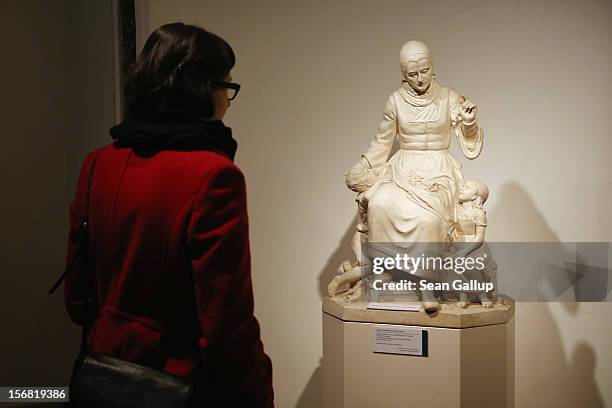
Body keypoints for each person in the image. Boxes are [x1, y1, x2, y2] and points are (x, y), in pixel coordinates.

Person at [63, 23, 273, 407]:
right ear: (199, 89)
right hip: (179, 381)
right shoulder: (214, 176)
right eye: (226, 86)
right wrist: (257, 390)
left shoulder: (96, 165)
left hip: (103, 374)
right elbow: (226, 321)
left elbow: (77, 298)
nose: (227, 100)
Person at [343, 40, 484, 310]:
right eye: (412, 74)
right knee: (380, 203)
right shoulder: (395, 100)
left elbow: (469, 143)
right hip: (403, 168)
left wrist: (468, 121)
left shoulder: (449, 97)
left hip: (439, 172)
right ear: (403, 75)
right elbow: (382, 142)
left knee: (429, 218)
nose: (420, 79)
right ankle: (384, 273)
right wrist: (363, 164)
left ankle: (428, 284)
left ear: (433, 68)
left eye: (424, 71)